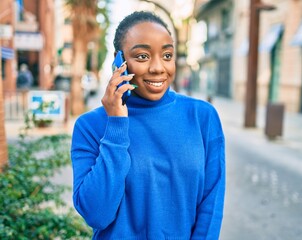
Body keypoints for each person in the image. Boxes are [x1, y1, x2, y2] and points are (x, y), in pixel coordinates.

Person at [71, 11, 225, 239]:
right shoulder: (90, 126)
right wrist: (116, 125)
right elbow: (97, 214)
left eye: (167, 55)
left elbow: (211, 207)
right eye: (142, 56)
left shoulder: (202, 117)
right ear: (118, 59)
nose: (157, 67)